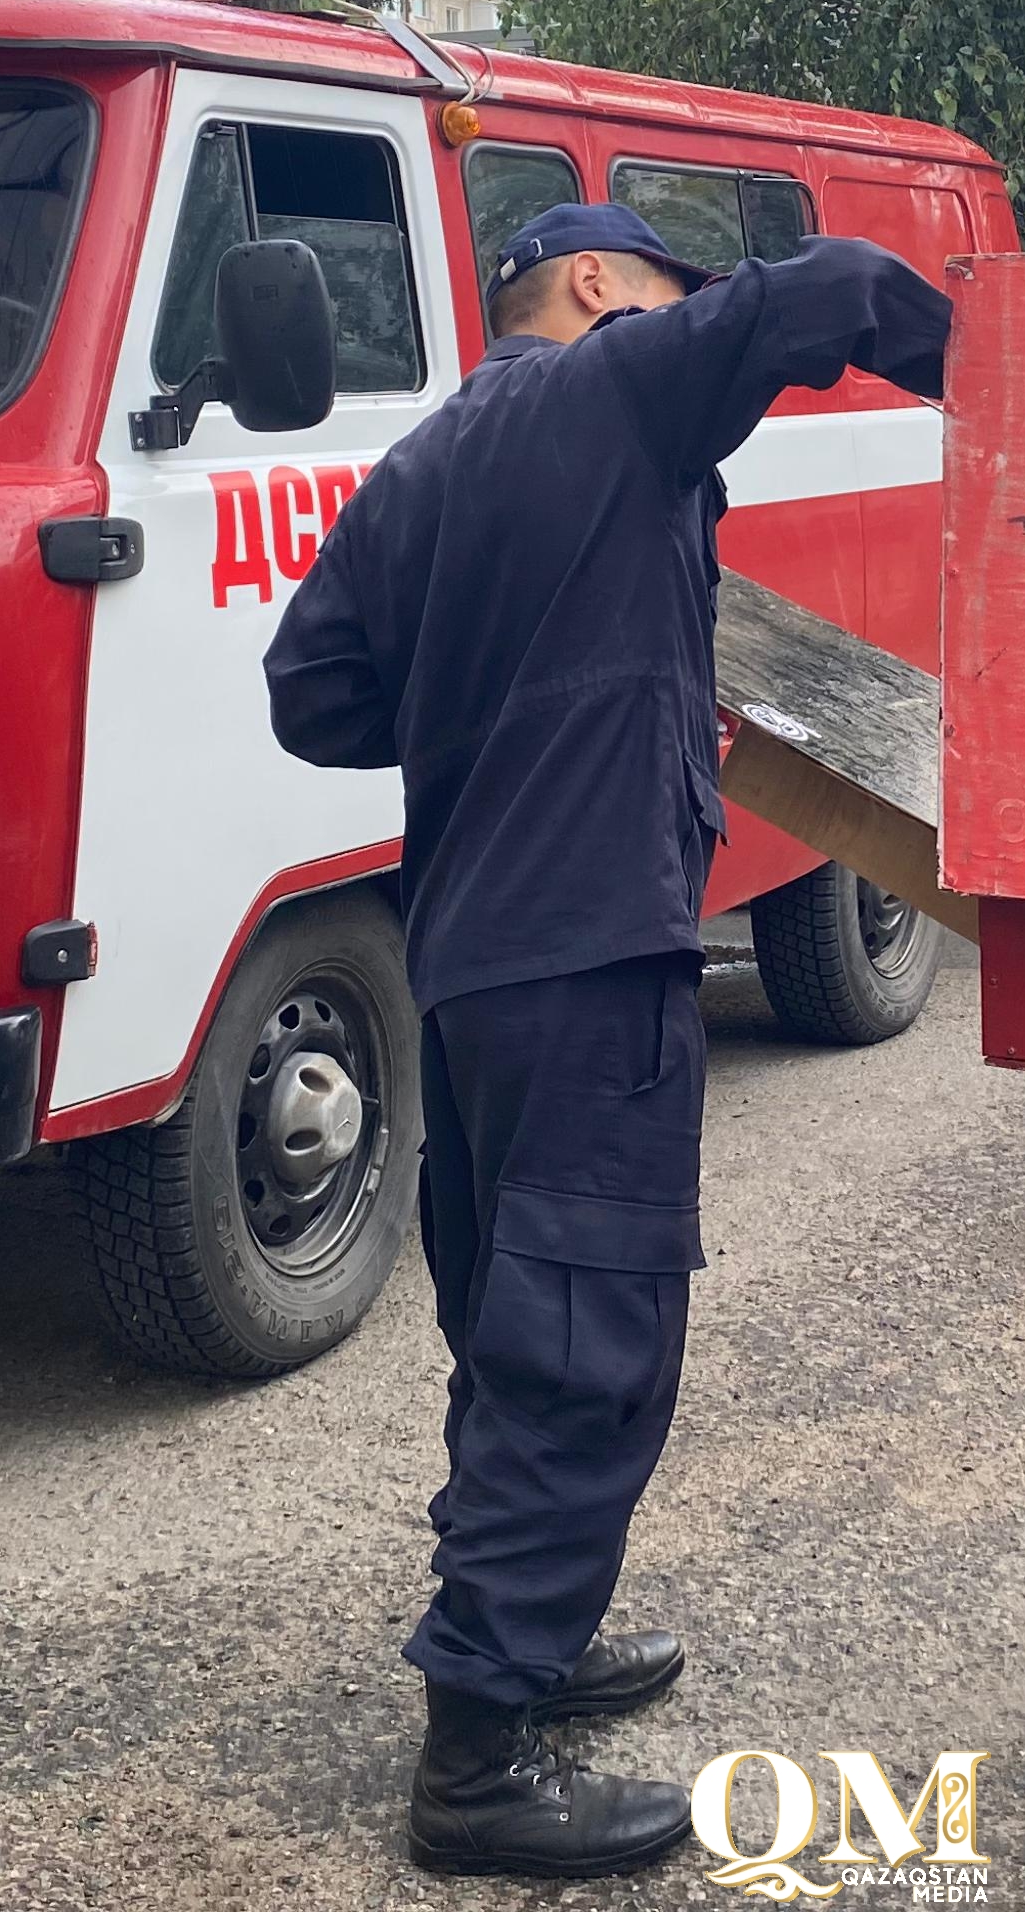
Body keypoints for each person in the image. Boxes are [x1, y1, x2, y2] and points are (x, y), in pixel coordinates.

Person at [265, 201, 951, 1880]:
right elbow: (846, 291)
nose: (672, 329)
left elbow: (311, 692)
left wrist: (500, 697)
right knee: (589, 1337)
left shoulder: (424, 464)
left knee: (516, 1310)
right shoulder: (614, 390)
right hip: (591, 950)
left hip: (477, 964)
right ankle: (480, 1755)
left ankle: (533, 1644)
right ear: (592, 290)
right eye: (658, 300)